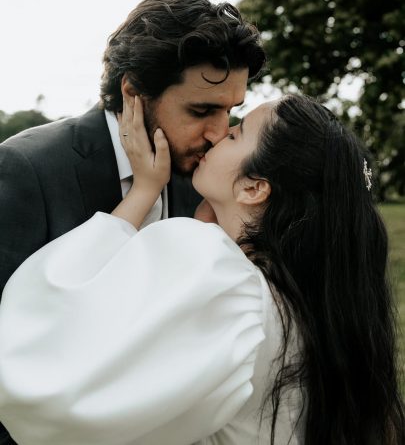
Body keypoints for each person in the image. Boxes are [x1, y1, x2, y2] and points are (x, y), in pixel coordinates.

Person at [0, 94, 403, 445]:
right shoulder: (309, 299)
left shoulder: (221, 276)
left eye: (235, 133)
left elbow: (52, 387)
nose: (217, 133)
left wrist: (142, 192)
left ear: (253, 187)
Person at [0, 0, 264, 444]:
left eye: (230, 111)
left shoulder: (203, 178)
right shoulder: (28, 168)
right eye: (201, 111)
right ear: (133, 92)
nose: (220, 133)